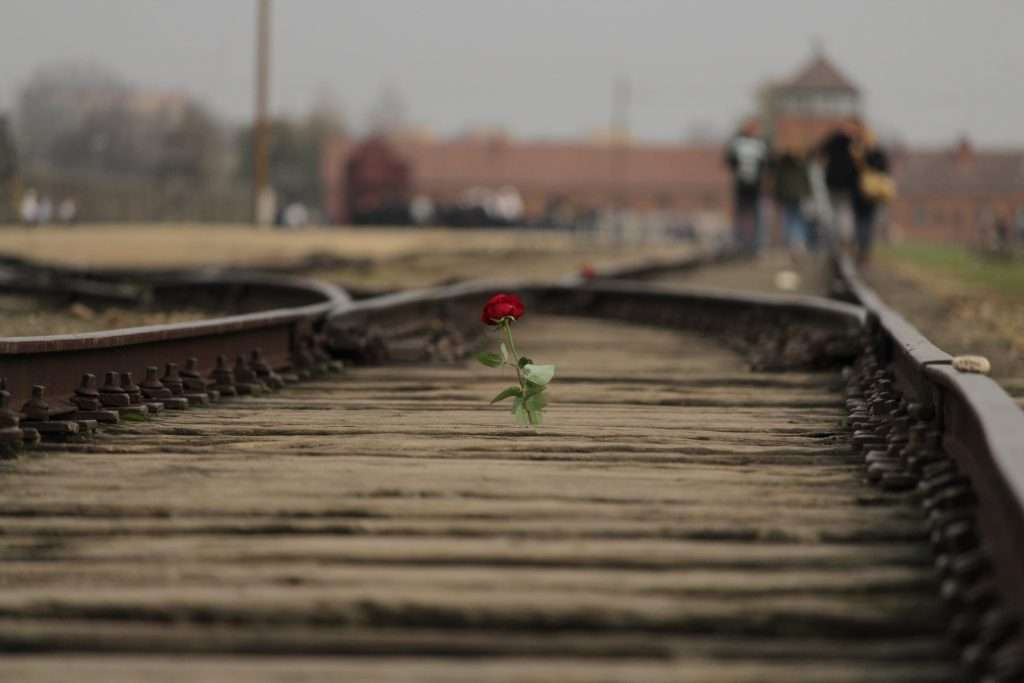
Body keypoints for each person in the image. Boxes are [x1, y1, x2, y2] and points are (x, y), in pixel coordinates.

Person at [724, 120, 768, 253]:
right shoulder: (737, 142)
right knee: (740, 215)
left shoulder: (761, 143)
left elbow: (767, 162)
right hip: (741, 185)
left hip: (756, 186)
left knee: (757, 215)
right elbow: (729, 159)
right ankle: (738, 242)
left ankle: (757, 244)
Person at [851, 128, 893, 265]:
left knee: (861, 223)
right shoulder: (878, 154)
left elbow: (852, 172)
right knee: (867, 223)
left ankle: (862, 249)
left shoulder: (858, 153)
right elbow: (886, 170)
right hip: (871, 194)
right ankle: (864, 250)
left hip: (862, 193)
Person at [818, 122, 860, 249]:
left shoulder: (833, 141)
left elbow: (819, 151)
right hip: (844, 185)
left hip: (836, 184)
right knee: (843, 213)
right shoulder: (853, 143)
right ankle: (842, 239)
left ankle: (838, 239)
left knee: (837, 214)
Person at [771, 145, 812, 255]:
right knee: (797, 219)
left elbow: (778, 182)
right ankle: (799, 242)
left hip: (787, 195)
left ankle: (791, 243)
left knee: (789, 219)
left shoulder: (782, 164)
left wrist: (777, 195)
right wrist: (808, 193)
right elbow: (806, 180)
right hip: (798, 194)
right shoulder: (801, 164)